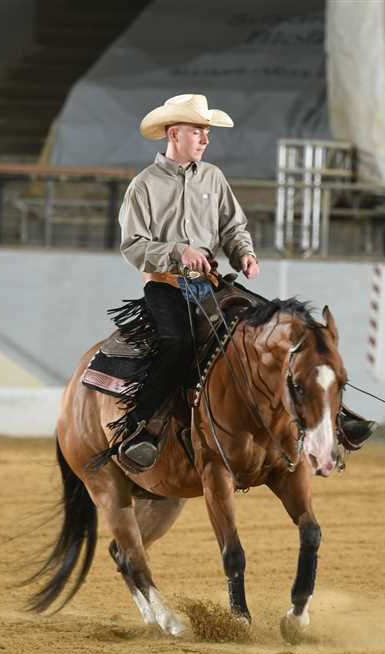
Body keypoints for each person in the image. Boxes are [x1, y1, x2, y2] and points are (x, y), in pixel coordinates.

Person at [114, 94, 260, 471]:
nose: (206, 139)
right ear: (174, 133)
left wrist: (244, 253)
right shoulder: (143, 186)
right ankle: (142, 427)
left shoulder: (213, 177)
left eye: (207, 132)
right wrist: (178, 251)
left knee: (264, 327)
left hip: (207, 284)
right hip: (165, 285)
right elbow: (133, 247)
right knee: (177, 342)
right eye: (198, 131)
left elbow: (233, 227)